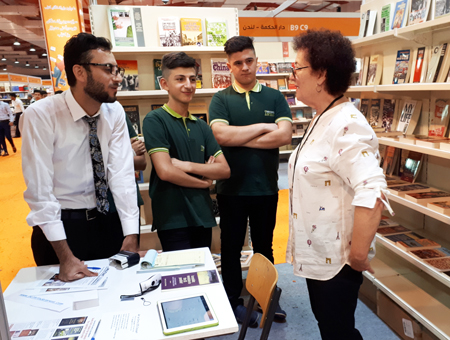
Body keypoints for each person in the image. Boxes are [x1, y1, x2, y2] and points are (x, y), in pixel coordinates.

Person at [286, 29, 393, 340]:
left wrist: (358, 256)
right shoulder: (324, 116)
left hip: (337, 262)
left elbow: (372, 189)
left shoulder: (346, 124)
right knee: (331, 327)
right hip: (320, 254)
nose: (294, 75)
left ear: (321, 75)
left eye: (298, 68)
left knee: (338, 331)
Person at [21, 32, 139, 282]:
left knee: (117, 296)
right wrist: (65, 255)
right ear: (80, 72)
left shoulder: (114, 111)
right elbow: (40, 192)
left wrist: (130, 234)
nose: (117, 78)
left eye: (117, 70)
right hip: (60, 230)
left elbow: (122, 175)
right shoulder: (41, 115)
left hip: (106, 223)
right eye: (108, 69)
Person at [208, 36, 293, 326]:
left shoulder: (275, 96)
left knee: (264, 248)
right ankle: (233, 301)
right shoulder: (220, 99)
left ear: (256, 60)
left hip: (266, 189)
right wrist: (262, 129)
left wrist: (240, 137)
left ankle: (268, 299)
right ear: (229, 66)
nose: (245, 67)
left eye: (249, 60)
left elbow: (284, 136)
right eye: (238, 63)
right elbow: (220, 136)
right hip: (231, 189)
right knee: (230, 248)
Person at [142, 52, 230, 252]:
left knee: (202, 276)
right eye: (180, 79)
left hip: (202, 215)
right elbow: (165, 171)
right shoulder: (155, 120)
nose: (188, 85)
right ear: (164, 84)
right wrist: (204, 181)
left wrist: (185, 165)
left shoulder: (201, 125)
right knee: (180, 278)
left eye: (192, 79)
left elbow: (224, 170)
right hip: (173, 217)